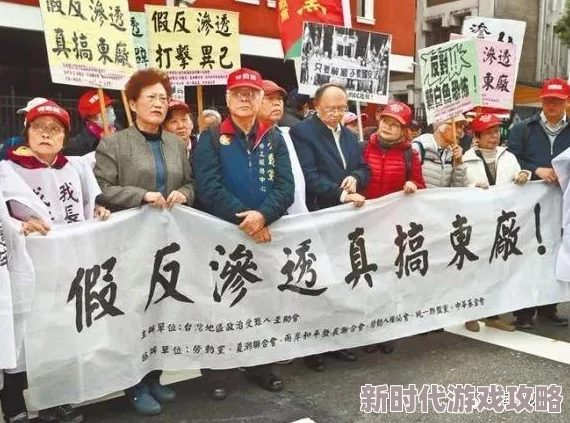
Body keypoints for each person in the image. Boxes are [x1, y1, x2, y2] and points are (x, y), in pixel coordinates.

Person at [0, 100, 110, 423]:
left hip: (68, 264)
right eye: (39, 128)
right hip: (27, 266)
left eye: (54, 129)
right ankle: (14, 403)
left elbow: (90, 203)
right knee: (22, 333)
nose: (46, 134)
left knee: (60, 333)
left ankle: (56, 398)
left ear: (65, 136)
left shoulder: (75, 168)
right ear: (27, 132)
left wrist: (99, 210)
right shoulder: (8, 169)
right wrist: (18, 225)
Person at [94, 68, 194, 415]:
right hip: (129, 242)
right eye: (150, 97)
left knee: (161, 306)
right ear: (133, 103)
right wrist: (142, 195)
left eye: (163, 98)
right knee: (133, 311)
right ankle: (133, 383)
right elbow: (102, 189)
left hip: (167, 242)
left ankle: (154, 375)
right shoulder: (114, 144)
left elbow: (191, 183)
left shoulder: (175, 144)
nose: (158, 104)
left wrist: (183, 193)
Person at [193, 68, 294, 399]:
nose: (245, 99)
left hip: (265, 234)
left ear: (261, 98)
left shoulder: (274, 137)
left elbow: (286, 187)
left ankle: (261, 366)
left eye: (251, 93)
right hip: (223, 237)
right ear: (227, 98)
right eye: (238, 93)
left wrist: (263, 216)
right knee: (221, 303)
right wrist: (246, 220)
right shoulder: (210, 138)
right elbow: (208, 187)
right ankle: (218, 373)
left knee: (263, 301)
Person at [290, 83, 370, 372]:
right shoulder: (303, 132)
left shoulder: (348, 134)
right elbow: (308, 176)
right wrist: (340, 193)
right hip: (318, 216)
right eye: (331, 108)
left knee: (341, 280)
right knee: (317, 282)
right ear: (316, 106)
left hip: (345, 220)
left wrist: (356, 178)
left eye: (342, 108)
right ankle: (313, 347)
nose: (337, 113)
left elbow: (364, 167)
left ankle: (337, 339)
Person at [361, 101, 426, 353]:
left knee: (389, 279)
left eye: (395, 124)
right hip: (363, 227)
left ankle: (385, 331)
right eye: (385, 121)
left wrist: (413, 186)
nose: (388, 127)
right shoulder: (362, 148)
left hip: (392, 229)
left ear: (404, 130)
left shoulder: (410, 155)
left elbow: (420, 185)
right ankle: (366, 332)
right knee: (366, 278)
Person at [507, 77, 570, 330]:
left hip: (562, 205)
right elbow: (510, 160)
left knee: (556, 253)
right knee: (526, 254)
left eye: (557, 100)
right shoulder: (523, 129)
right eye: (547, 100)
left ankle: (548, 307)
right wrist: (536, 170)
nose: (551, 104)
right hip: (528, 205)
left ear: (566, 102)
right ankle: (523, 311)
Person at [462, 113, 530, 332]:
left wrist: (524, 174)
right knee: (474, 269)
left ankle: (493, 315)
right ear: (477, 137)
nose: (494, 136)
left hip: (502, 222)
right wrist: (472, 188)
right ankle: (470, 314)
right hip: (477, 223)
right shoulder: (465, 159)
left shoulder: (508, 157)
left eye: (496, 132)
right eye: (488, 133)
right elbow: (457, 186)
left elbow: (519, 176)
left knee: (497, 268)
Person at [258, 79, 308, 215]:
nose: (277, 103)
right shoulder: (245, 139)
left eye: (279, 99)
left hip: (294, 215)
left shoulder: (287, 134)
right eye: (269, 98)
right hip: (263, 215)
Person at [412, 116, 469, 188]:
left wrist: (459, 163)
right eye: (455, 125)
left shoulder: (453, 154)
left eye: (461, 127)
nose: (460, 131)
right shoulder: (418, 148)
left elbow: (460, 189)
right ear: (441, 127)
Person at [65, 90, 119, 157]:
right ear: (90, 118)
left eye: (110, 106)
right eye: (102, 110)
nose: (110, 111)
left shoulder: (119, 130)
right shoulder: (79, 146)